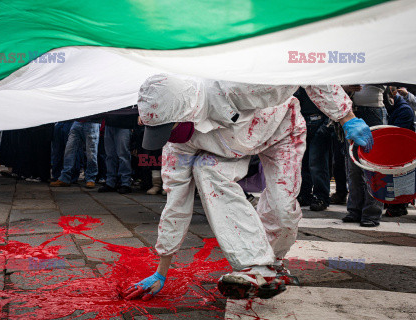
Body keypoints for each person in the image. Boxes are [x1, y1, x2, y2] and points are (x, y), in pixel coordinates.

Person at [122, 74, 373, 301]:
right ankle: (255, 266)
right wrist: (161, 272)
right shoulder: (177, 145)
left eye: (170, 128)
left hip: (279, 131)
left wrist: (346, 118)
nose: (170, 137)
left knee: (283, 212)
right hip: (227, 150)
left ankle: (273, 261)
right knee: (205, 169)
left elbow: (305, 71)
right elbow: (176, 204)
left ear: (186, 111)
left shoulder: (236, 86)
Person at [342, 85, 386, 227]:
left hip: (373, 110)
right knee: (353, 167)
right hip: (352, 110)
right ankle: (355, 210)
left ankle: (371, 213)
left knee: (374, 166)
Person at [295, 87, 333, 211]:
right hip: (303, 121)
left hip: (320, 121)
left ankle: (321, 197)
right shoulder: (299, 82)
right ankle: (305, 194)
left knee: (317, 163)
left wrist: (326, 125)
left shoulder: (320, 80)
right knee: (305, 162)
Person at [384, 86, 416, 217]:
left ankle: (399, 205)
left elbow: (396, 134)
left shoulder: (404, 110)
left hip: (402, 150)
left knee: (400, 177)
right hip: (396, 148)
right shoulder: (395, 107)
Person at [50, 119, 100, 188]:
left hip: (90, 121)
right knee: (70, 150)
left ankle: (90, 178)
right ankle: (66, 178)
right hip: (81, 121)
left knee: (90, 153)